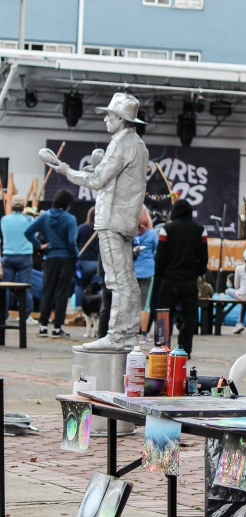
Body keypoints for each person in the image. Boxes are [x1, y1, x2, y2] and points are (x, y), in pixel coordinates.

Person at [52, 92, 149, 350]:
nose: (106, 119)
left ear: (120, 118)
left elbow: (97, 182)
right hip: (125, 220)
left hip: (112, 220)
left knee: (117, 281)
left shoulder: (120, 143)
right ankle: (129, 335)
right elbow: (113, 179)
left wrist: (66, 171)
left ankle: (116, 337)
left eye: (109, 115)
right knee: (128, 279)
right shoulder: (139, 145)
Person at [154, 199, 208, 358]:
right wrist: (199, 272)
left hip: (169, 280)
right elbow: (204, 256)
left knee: (164, 315)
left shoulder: (166, 229)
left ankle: (162, 348)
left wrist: (159, 274)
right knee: (189, 316)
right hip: (190, 280)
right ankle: (185, 350)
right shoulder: (200, 230)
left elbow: (160, 255)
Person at [24, 189, 79, 337]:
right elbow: (71, 241)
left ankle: (43, 326)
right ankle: (57, 328)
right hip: (65, 258)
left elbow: (28, 232)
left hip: (49, 258)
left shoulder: (44, 216)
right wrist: (76, 255)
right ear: (68, 203)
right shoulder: (70, 219)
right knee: (62, 293)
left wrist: (39, 245)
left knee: (47, 291)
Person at [1, 195, 34, 322]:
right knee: (25, 286)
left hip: (8, 255)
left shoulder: (4, 219)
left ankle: (3, 314)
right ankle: (25, 316)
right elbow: (34, 234)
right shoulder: (29, 220)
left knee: (5, 288)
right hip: (25, 255)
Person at [133, 206, 158, 344]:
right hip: (148, 271)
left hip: (132, 270)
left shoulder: (130, 233)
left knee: (132, 303)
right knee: (145, 305)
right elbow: (156, 249)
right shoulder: (151, 234)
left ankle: (131, 332)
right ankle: (143, 334)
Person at [74, 207, 100, 313]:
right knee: (96, 288)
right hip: (97, 263)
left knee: (79, 285)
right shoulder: (101, 230)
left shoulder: (81, 228)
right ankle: (96, 310)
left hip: (83, 263)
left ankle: (79, 311)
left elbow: (75, 242)